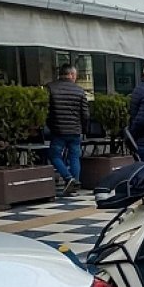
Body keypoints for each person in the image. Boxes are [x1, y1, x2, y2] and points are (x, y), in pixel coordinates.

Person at [46, 64, 89, 196]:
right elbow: (85, 114)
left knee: (54, 155)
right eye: (75, 75)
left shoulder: (50, 88)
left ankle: (68, 177)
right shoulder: (80, 91)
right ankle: (74, 184)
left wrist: (49, 125)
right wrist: (84, 129)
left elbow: (46, 111)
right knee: (74, 157)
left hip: (58, 130)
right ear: (71, 75)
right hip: (75, 131)